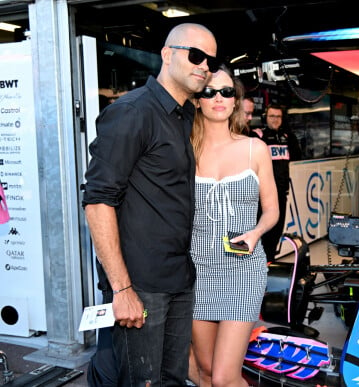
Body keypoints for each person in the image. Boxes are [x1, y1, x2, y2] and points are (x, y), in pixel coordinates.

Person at [82, 23, 218, 387]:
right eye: (196, 55)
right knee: (139, 381)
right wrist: (122, 290)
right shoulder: (132, 112)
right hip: (140, 285)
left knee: (171, 379)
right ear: (167, 54)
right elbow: (97, 201)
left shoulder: (184, 115)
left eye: (211, 60)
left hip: (178, 278)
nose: (205, 65)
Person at [188, 66, 279, 386]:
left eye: (227, 92)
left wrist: (255, 233)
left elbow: (271, 211)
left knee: (225, 377)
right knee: (206, 370)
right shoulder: (185, 149)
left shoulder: (255, 148)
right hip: (197, 269)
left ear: (235, 101)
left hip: (243, 269)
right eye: (209, 91)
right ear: (197, 99)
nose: (218, 98)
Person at [249, 104, 301, 261]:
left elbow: (297, 157)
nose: (275, 120)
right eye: (272, 116)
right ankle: (258, 263)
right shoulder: (258, 135)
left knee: (276, 231)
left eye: (278, 116)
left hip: (281, 193)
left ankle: (269, 263)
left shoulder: (288, 137)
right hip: (262, 194)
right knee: (262, 230)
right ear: (266, 117)